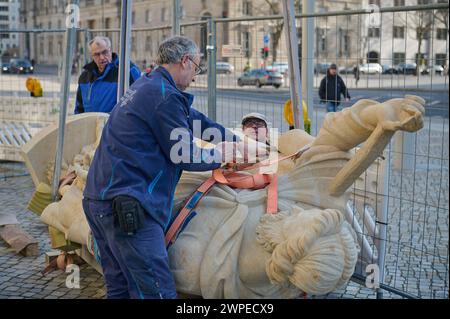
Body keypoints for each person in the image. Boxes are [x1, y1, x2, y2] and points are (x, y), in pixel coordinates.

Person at [82, 36, 241, 299]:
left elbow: (190, 120)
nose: (195, 76)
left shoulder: (150, 85)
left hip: (99, 200)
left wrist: (234, 139)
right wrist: (220, 154)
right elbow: (184, 155)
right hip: (127, 208)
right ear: (185, 61)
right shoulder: (163, 96)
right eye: (197, 68)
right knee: (156, 291)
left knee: (120, 286)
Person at [74, 36, 141, 114]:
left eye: (104, 52)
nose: (102, 57)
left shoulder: (126, 70)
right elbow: (79, 108)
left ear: (110, 50)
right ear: (92, 56)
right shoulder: (84, 77)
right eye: (97, 54)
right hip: (91, 125)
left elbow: (139, 100)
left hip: (117, 125)